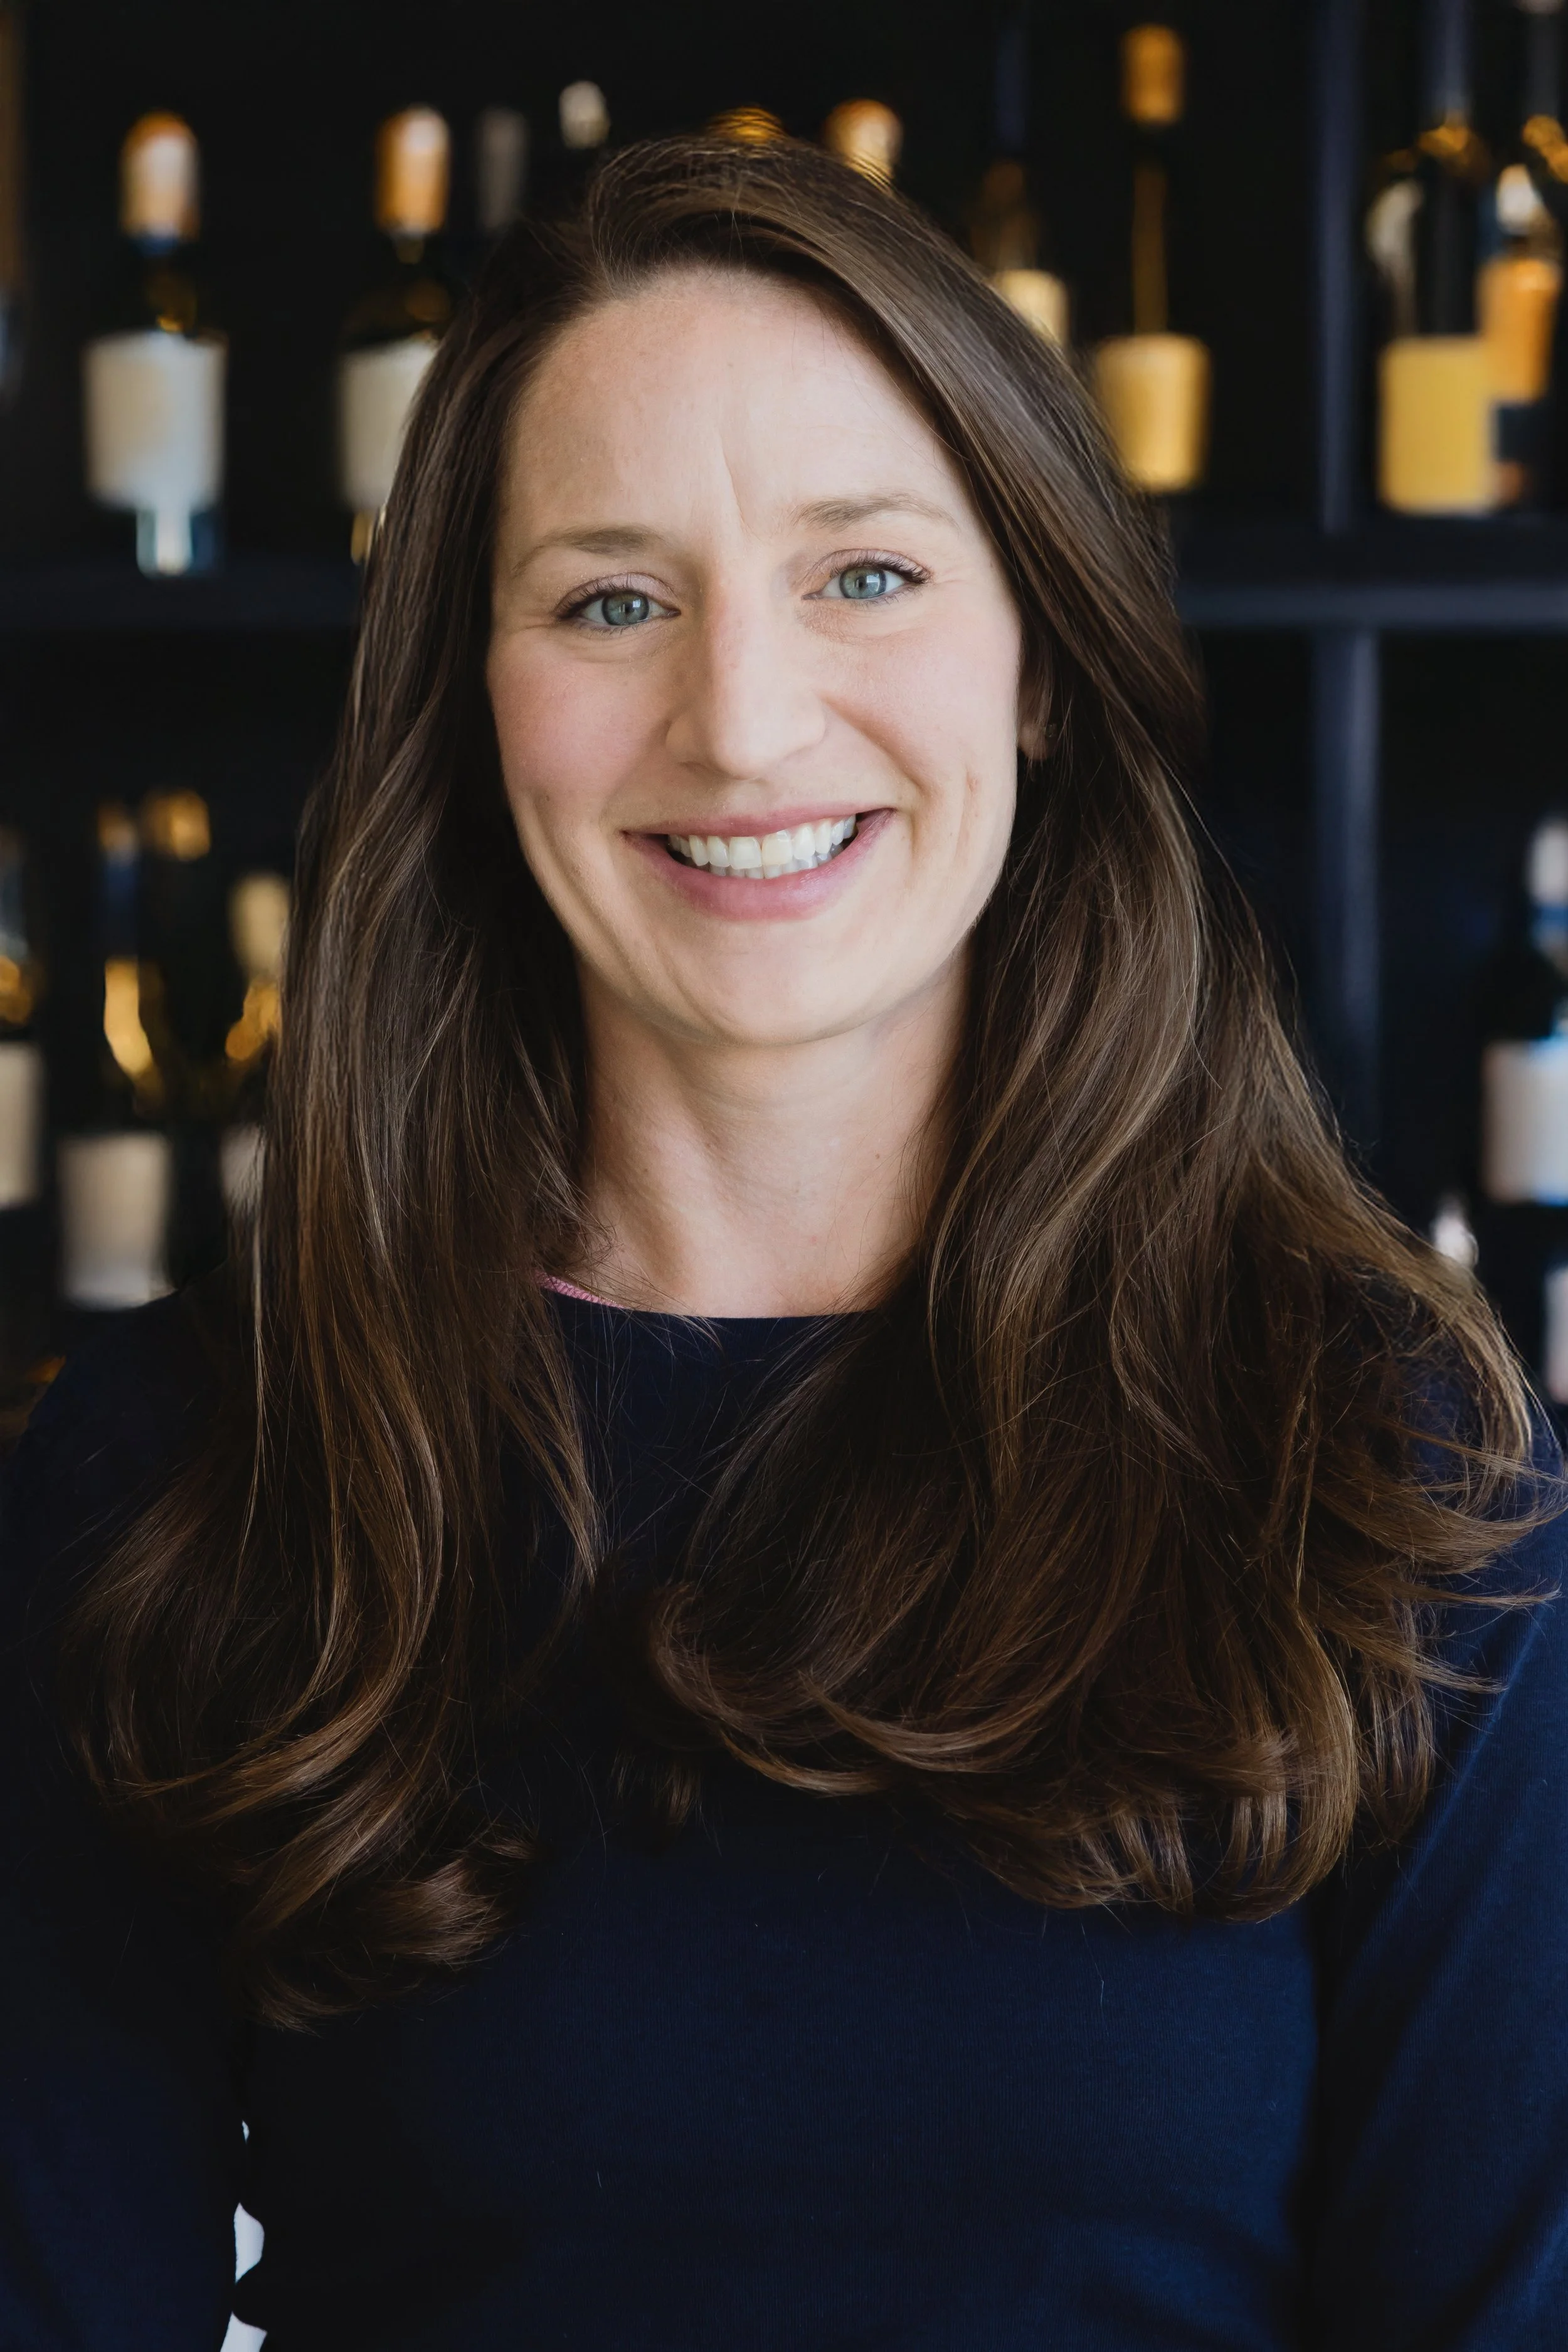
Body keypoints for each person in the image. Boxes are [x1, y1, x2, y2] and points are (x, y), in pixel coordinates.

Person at [3, 134, 1566, 2352]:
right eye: (610, 598)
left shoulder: (1389, 1468)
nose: (739, 719)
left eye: (864, 577)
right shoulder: (186, 1472)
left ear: (1036, 659)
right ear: (474, 705)